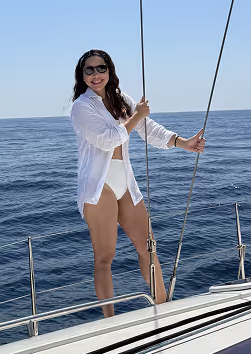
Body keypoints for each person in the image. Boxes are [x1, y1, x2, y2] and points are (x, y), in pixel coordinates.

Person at [71, 49, 206, 316]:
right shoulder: (81, 107)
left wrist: (183, 143)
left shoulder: (120, 99)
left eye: (101, 68)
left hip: (125, 181)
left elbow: (148, 129)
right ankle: (109, 322)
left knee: (148, 247)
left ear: (109, 71)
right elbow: (109, 139)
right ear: (82, 74)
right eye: (89, 70)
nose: (96, 75)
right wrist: (137, 116)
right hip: (100, 186)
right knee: (104, 257)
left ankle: (164, 308)